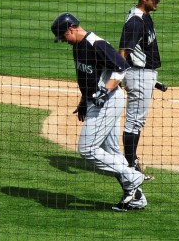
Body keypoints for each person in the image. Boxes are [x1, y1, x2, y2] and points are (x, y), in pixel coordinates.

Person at [51, 12, 147, 211]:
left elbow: (122, 67)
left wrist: (105, 90)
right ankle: (136, 197)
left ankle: (133, 176)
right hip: (97, 101)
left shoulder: (96, 43)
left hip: (108, 101)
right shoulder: (77, 46)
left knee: (87, 149)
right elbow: (88, 76)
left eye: (63, 36)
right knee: (111, 152)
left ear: (71, 29)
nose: (64, 41)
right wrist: (84, 101)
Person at [118, 0, 166, 179]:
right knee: (134, 123)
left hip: (143, 75)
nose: (157, 1)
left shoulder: (144, 17)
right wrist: (118, 77)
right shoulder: (135, 21)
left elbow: (141, 51)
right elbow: (123, 52)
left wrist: (152, 80)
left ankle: (131, 161)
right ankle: (130, 166)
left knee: (136, 122)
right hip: (137, 75)